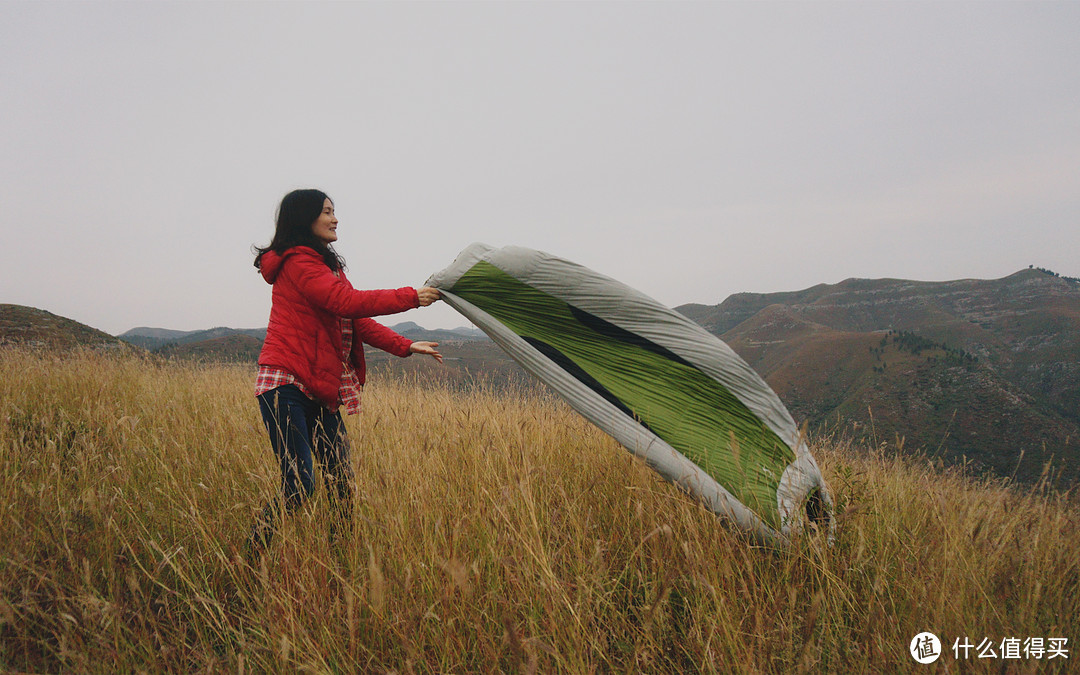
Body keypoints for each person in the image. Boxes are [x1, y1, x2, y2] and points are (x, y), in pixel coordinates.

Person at [248, 188, 442, 555]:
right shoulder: (297, 263)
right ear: (305, 217)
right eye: (326, 211)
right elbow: (345, 301)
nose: (335, 218)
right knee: (300, 484)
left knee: (340, 483)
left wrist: (405, 345)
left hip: (320, 386)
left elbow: (352, 318)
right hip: (287, 384)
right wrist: (411, 297)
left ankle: (340, 561)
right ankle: (252, 555)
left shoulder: (326, 266)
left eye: (334, 211)